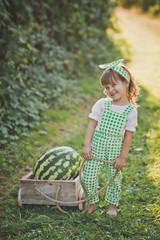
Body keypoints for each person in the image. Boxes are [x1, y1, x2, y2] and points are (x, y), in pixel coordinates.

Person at [81, 59, 139, 217]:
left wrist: (122, 157)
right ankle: (91, 202)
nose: (110, 90)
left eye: (114, 85)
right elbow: (92, 125)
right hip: (97, 145)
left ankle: (112, 206)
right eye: (107, 87)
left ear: (125, 83)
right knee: (88, 176)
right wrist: (87, 146)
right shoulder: (102, 104)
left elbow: (128, 137)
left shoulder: (130, 111)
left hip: (115, 149)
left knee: (114, 178)